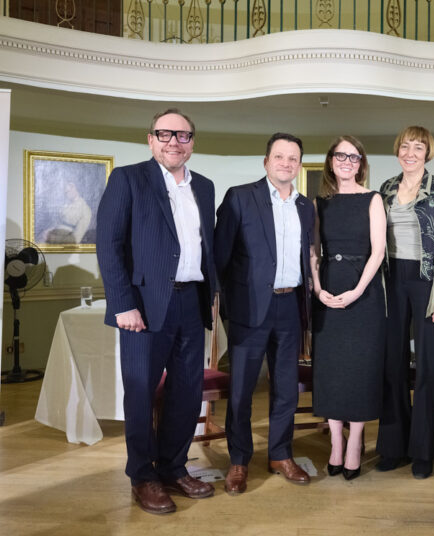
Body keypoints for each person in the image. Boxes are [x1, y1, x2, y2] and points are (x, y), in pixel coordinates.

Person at [96, 109, 217, 515]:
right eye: (164, 134)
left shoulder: (205, 186)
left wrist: (213, 293)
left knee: (187, 393)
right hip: (143, 306)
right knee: (141, 393)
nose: (173, 142)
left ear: (192, 143)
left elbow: (207, 246)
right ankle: (143, 476)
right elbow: (109, 246)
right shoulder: (129, 179)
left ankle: (173, 467)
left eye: (182, 135)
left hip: (191, 300)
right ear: (150, 140)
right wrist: (122, 303)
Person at [214, 132, 316, 495]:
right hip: (249, 309)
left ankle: (280, 454)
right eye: (280, 156)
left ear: (299, 165)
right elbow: (220, 258)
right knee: (241, 391)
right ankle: (239, 461)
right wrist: (228, 306)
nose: (286, 163)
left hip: (290, 307)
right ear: (266, 161)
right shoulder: (241, 198)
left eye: (293, 158)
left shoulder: (306, 207)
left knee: (286, 389)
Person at [376, 126, 434, 480]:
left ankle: (424, 450)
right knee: (392, 365)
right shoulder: (386, 189)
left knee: (427, 368)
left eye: (418, 147)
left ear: (428, 152)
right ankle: (394, 446)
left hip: (429, 282)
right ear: (398, 150)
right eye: (405, 146)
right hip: (391, 279)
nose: (410, 152)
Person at [310, 136, 387, 481]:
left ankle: (355, 439)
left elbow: (379, 252)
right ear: (330, 160)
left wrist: (357, 290)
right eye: (341, 155)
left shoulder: (373, 199)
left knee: (359, 368)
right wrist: (317, 287)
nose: (346, 161)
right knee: (331, 369)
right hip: (327, 288)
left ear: (361, 163)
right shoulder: (318, 203)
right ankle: (336, 443)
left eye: (354, 157)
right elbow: (313, 251)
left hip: (363, 291)